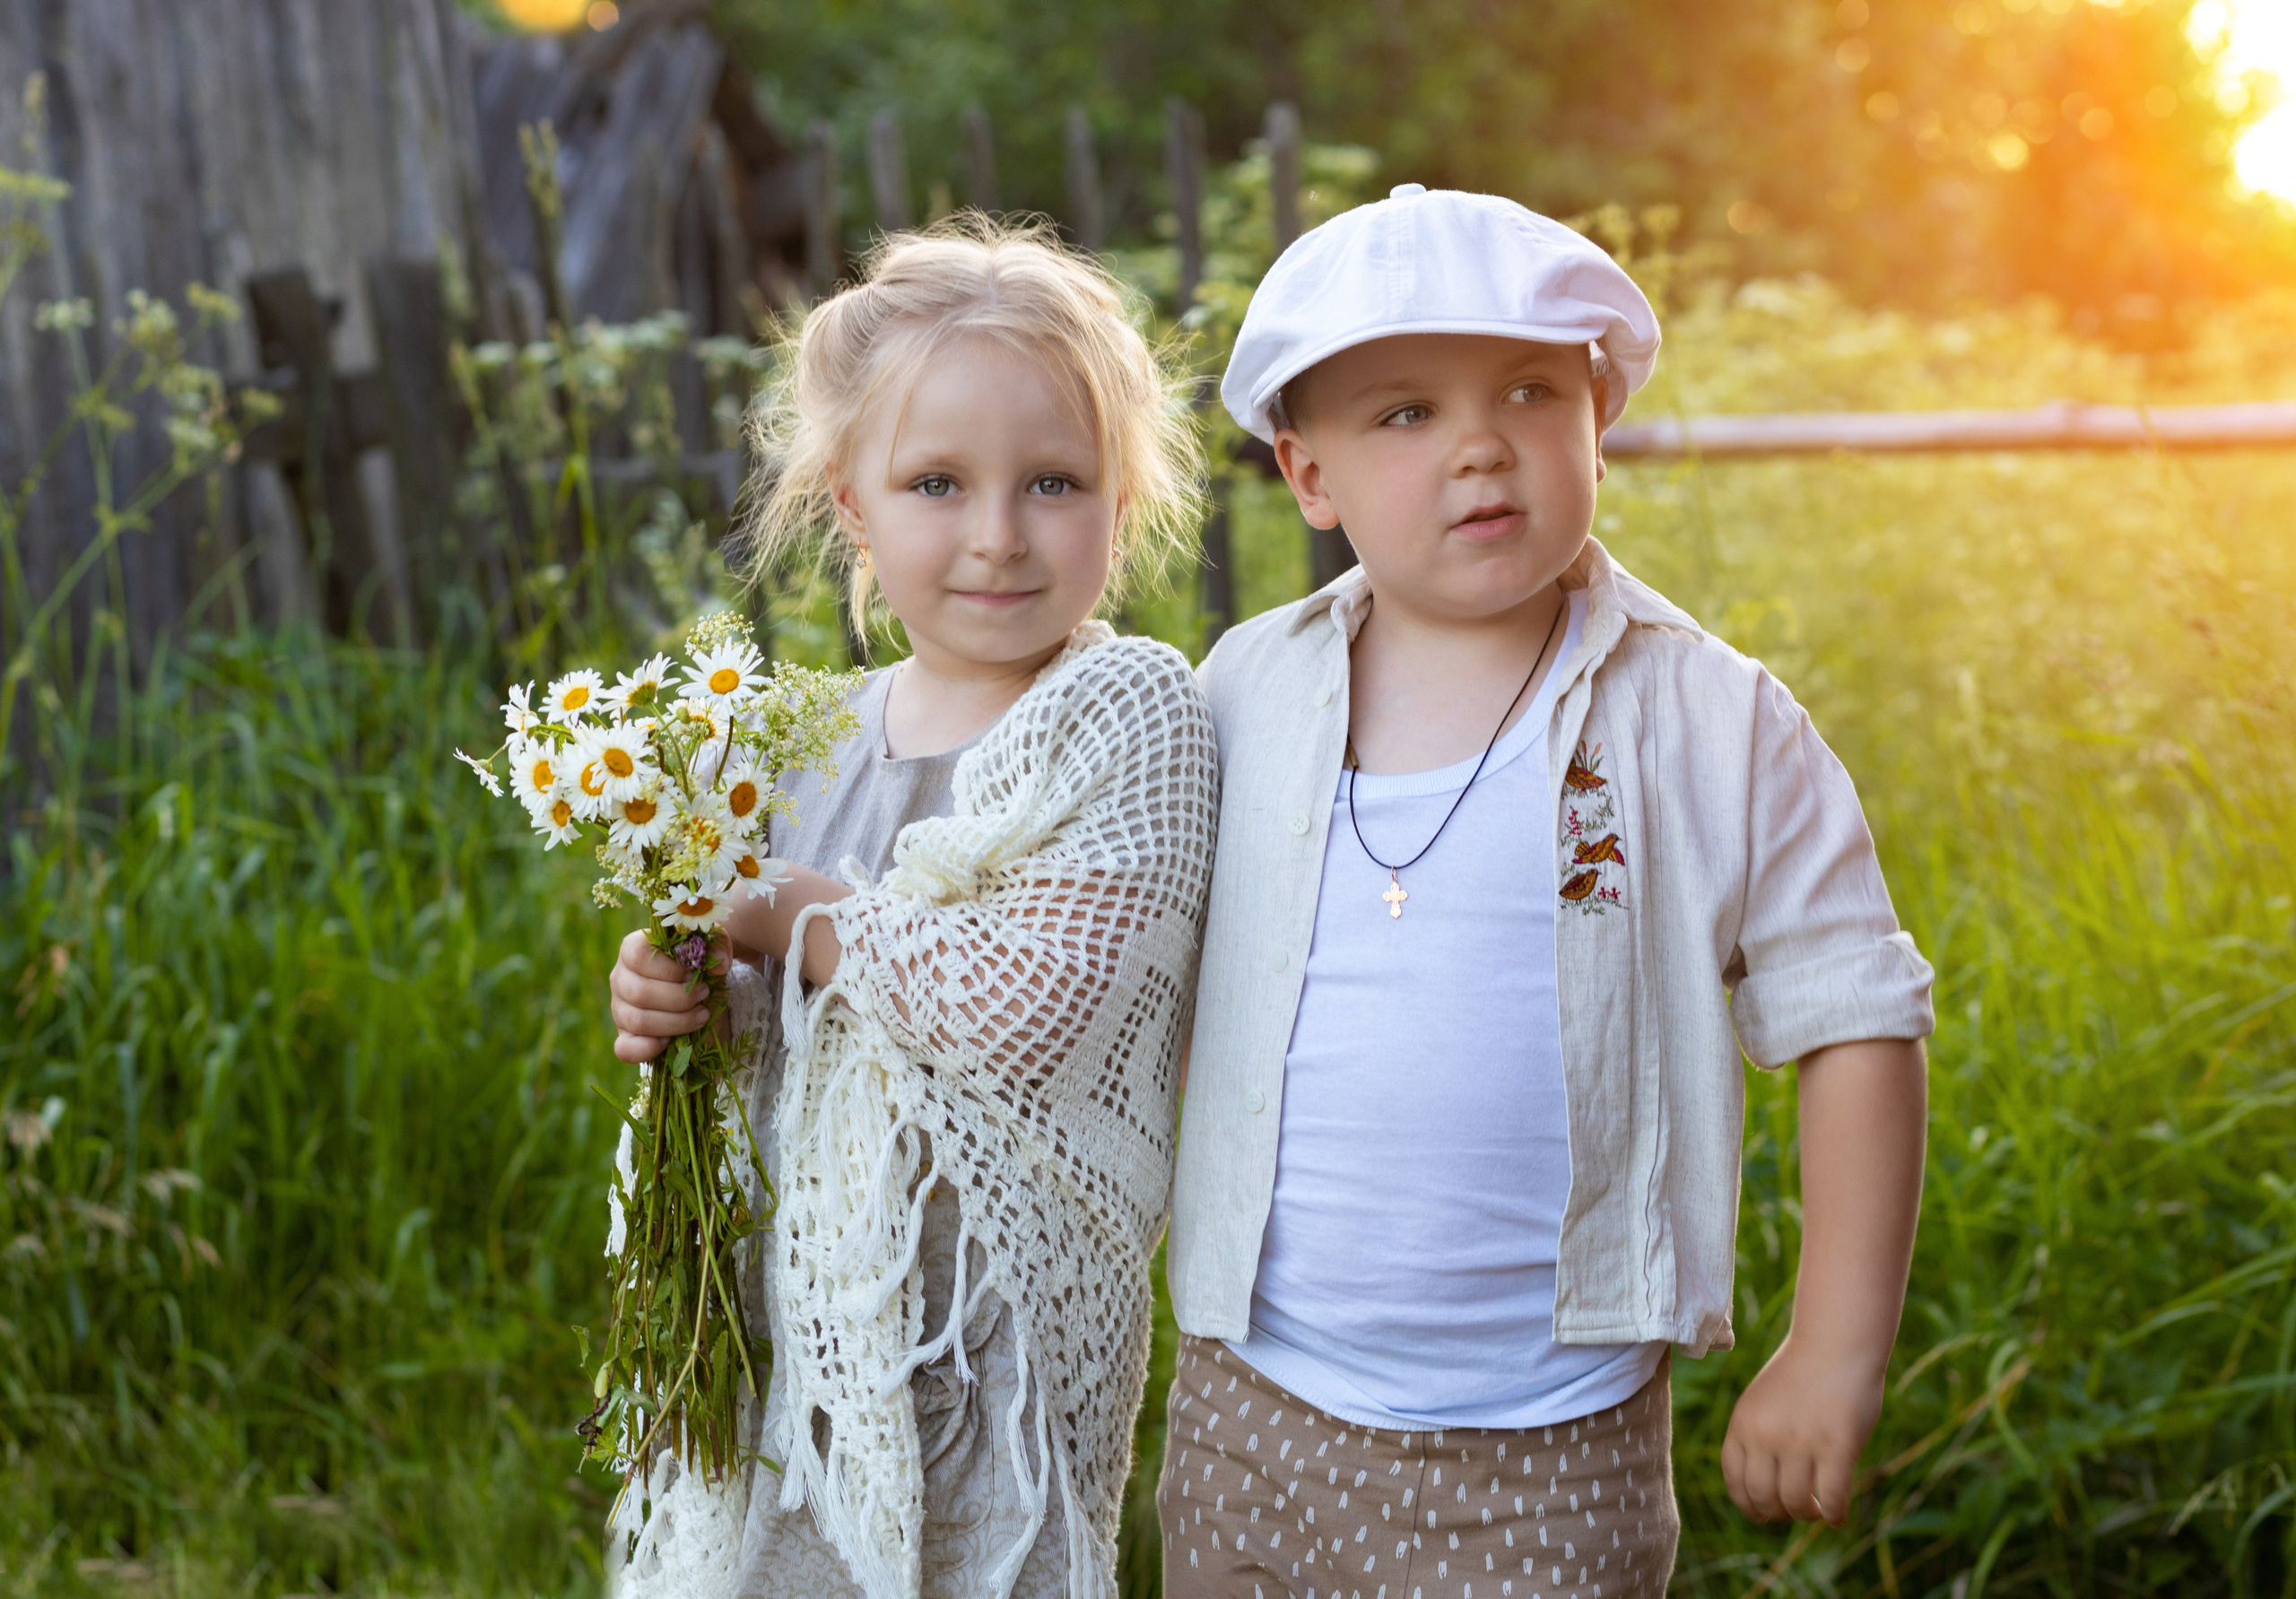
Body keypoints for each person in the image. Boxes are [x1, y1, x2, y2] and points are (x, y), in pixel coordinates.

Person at [1159, 186, 1935, 1598]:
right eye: (1406, 413)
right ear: (1310, 476)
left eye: (1528, 391)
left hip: (1552, 1444)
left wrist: (1834, 1349)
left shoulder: (1711, 722)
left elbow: (1856, 1017)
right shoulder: (1235, 696)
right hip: (1254, 1413)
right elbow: (1116, 949)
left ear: (1598, 420)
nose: (1480, 446)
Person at [604, 217, 1218, 1599]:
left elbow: (1021, 1006)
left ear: (1121, 503)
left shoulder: (1126, 718)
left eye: (1054, 482)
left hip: (987, 1374)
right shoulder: (788, 744)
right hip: (776, 1349)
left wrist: (785, 911)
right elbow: (754, 1032)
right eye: (937, 483)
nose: (997, 536)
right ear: (852, 509)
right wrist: (667, 987)